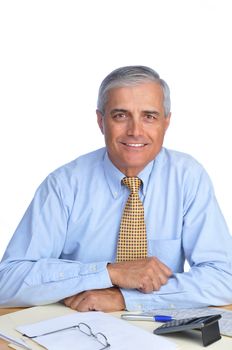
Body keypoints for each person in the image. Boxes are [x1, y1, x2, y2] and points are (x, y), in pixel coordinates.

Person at [0, 66, 232, 312]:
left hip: (159, 330)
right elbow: (8, 282)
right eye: (121, 115)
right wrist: (109, 273)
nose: (135, 131)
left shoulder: (187, 177)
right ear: (101, 121)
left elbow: (224, 277)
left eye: (149, 116)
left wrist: (125, 299)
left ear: (166, 122)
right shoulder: (64, 184)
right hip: (77, 328)